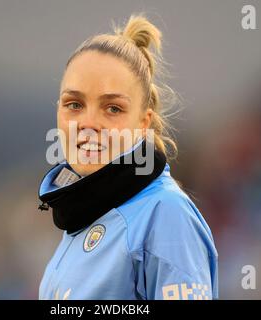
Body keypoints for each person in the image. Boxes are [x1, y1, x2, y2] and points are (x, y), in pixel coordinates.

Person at [37, 13, 218, 300]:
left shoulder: (166, 213)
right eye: (74, 104)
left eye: (113, 108)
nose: (89, 122)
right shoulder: (80, 218)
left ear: (143, 123)